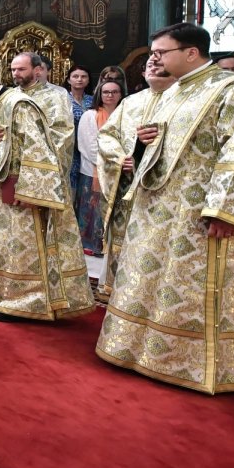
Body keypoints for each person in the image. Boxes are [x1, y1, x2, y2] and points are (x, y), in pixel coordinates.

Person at [96, 23, 234, 393]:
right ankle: (146, 352)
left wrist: (224, 208)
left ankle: (188, 362)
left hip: (196, 212)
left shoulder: (230, 91)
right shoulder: (173, 93)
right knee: (157, 280)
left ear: (190, 53)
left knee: (190, 284)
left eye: (162, 52)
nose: (155, 58)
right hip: (158, 209)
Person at [0, 65, 94, 321]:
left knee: (21, 247)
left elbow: (37, 147)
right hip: (1, 187)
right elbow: (7, 142)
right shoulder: (1, 104)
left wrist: (28, 188)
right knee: (1, 245)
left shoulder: (19, 104)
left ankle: (25, 303)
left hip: (19, 191)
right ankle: (0, 296)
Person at [94, 62, 175, 299]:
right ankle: (116, 289)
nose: (153, 64)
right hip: (126, 186)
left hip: (161, 188)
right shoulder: (131, 102)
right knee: (122, 238)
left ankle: (149, 295)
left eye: (161, 59)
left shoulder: (184, 100)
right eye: (150, 61)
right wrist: (121, 158)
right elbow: (107, 135)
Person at [74, 78, 123, 256]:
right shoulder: (90, 115)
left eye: (114, 92)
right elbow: (88, 146)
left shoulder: (124, 114)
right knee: (91, 209)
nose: (110, 95)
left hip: (119, 171)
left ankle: (110, 245)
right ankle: (90, 245)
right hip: (93, 171)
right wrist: (110, 163)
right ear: (99, 95)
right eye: (106, 92)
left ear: (121, 94)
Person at [16, 52, 75, 182]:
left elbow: (64, 129)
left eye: (41, 68)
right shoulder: (12, 95)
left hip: (44, 157)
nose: (38, 72)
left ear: (47, 71)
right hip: (16, 158)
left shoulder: (58, 94)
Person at [63, 65, 93, 199]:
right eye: (75, 76)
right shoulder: (63, 100)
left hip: (89, 148)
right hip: (70, 148)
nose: (79, 79)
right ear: (69, 80)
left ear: (88, 80)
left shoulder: (93, 100)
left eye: (83, 77)